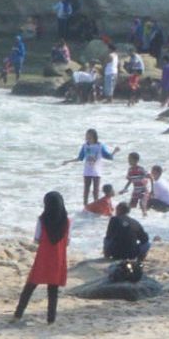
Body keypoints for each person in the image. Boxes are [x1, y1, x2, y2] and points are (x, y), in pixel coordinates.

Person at [14, 190, 70, 326]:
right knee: (53, 290)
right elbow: (67, 241)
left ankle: (18, 314)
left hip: (43, 257)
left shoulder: (42, 220)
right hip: (58, 258)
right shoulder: (67, 221)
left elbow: (37, 239)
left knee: (30, 285)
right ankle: (51, 319)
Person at [103, 201, 151, 282]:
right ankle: (140, 259)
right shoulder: (135, 222)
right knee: (148, 244)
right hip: (132, 254)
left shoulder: (114, 219)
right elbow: (145, 239)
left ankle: (107, 256)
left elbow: (109, 236)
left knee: (106, 239)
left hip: (116, 253)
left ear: (118, 210)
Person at [73, 130, 112, 207]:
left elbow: (108, 156)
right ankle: (85, 206)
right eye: (86, 136)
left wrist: (114, 152)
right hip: (87, 171)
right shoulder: (85, 146)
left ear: (94, 136)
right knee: (86, 189)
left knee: (95, 190)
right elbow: (80, 158)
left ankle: (96, 206)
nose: (87, 137)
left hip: (96, 171)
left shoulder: (100, 146)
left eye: (89, 136)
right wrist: (68, 161)